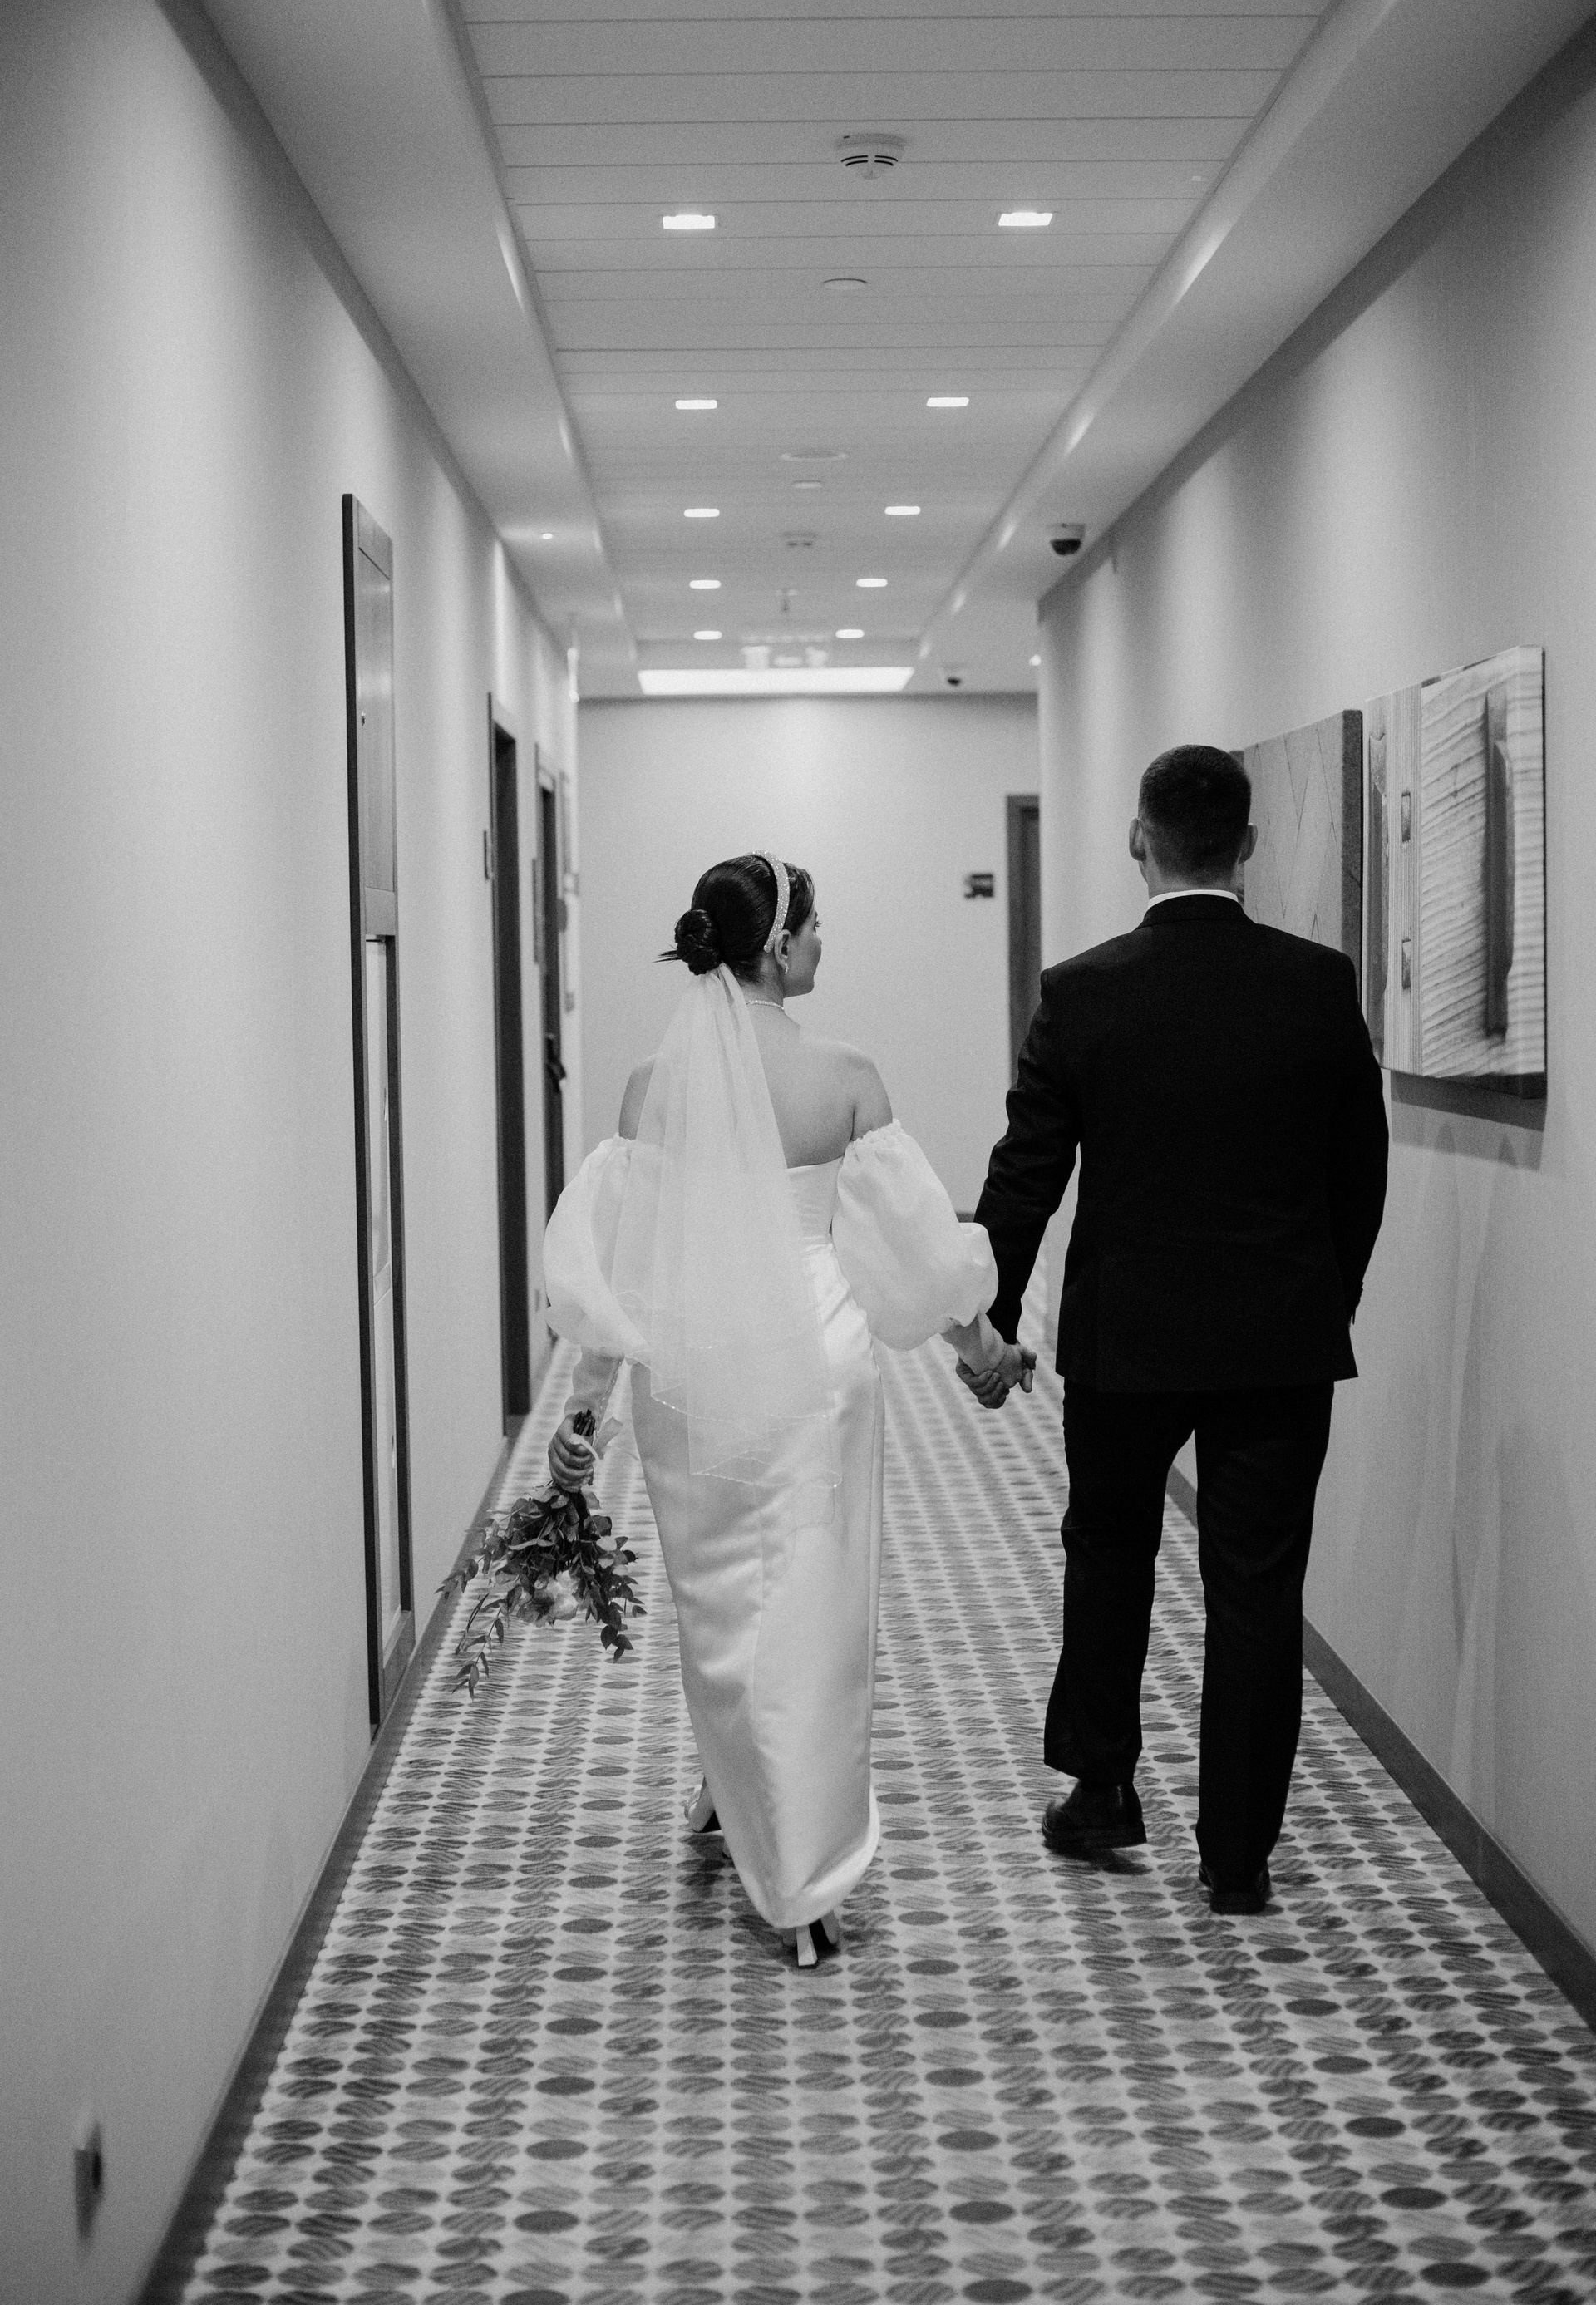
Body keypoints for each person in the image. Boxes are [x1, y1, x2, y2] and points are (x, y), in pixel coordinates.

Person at [540, 854, 1019, 1967]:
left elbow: (618, 1271)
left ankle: (745, 1802)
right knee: (813, 1614)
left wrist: (584, 1415)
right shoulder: (845, 1077)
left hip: (694, 1370)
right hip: (817, 1368)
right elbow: (909, 1253)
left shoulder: (649, 1087)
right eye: (814, 926)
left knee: (720, 1607)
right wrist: (983, 1348)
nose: (822, 943)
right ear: (779, 946)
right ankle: (802, 1873)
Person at [973, 745, 1388, 1913]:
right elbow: (1360, 1167)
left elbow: (1027, 1173)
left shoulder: (1082, 990)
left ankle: (1103, 1788)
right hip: (1280, 1339)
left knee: (1110, 1550)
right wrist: (1329, 1295)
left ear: (1137, 841)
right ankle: (1238, 1857)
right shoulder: (1317, 983)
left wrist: (989, 1322)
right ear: (1247, 845)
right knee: (1258, 1585)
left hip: (1129, 1336)